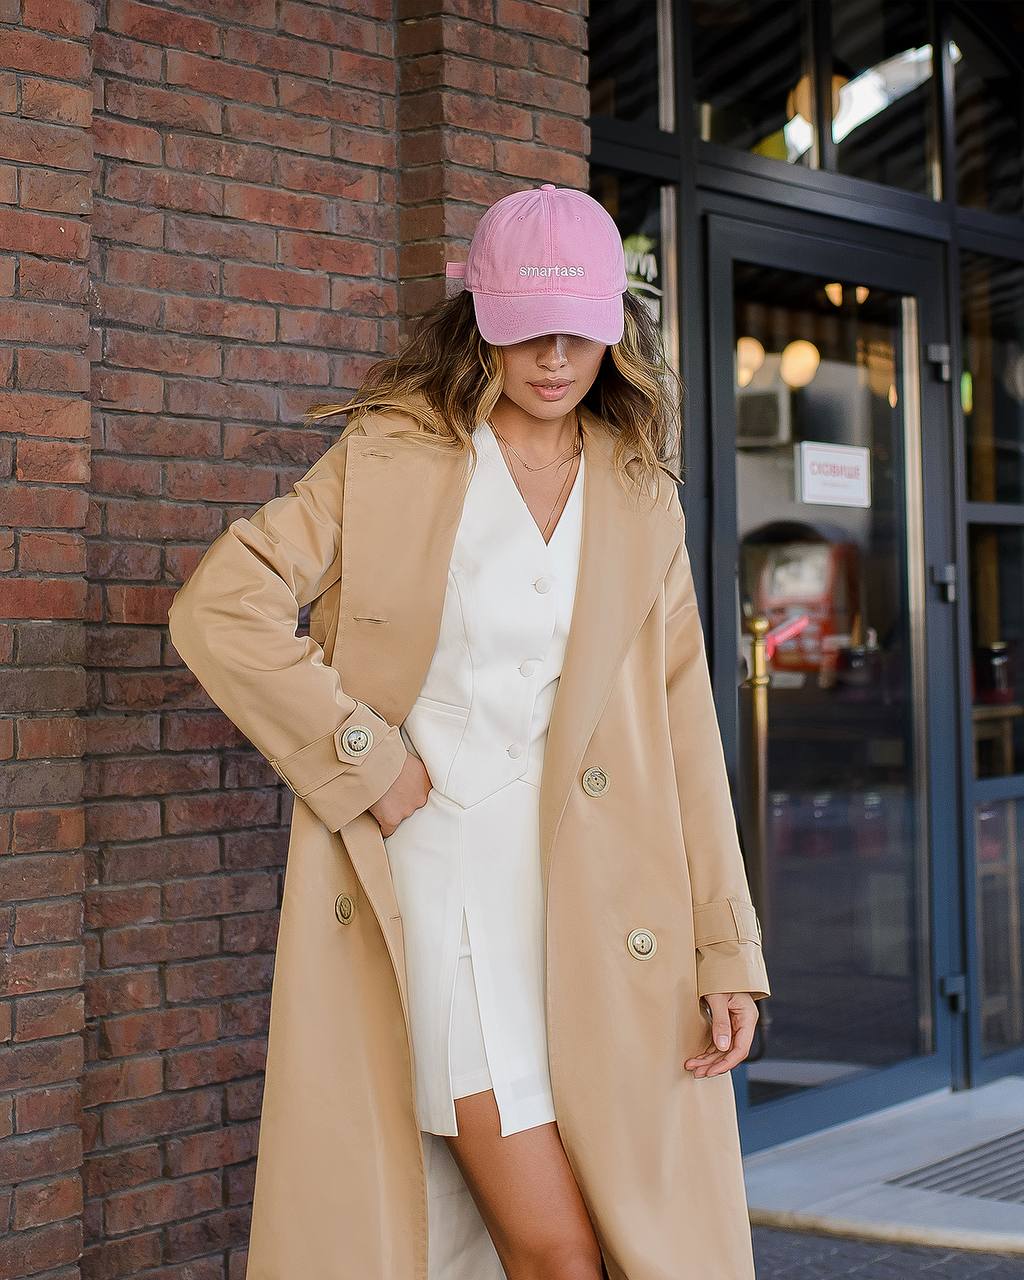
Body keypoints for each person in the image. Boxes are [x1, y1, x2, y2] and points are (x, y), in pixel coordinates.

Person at [168, 183, 771, 1280]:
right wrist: (364, 755)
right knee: (557, 1248)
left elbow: (685, 727)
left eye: (577, 331)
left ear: (612, 328)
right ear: (477, 319)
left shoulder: (638, 493)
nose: (551, 357)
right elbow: (222, 606)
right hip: (446, 885)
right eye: (524, 329)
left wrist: (725, 944)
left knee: (612, 1231)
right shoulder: (394, 455)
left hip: (599, 905)